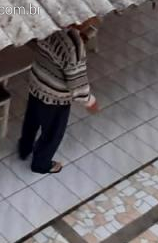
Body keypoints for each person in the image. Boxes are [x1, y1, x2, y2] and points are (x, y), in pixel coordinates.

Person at [16, 21, 98, 174]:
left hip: (37, 83)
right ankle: (41, 164)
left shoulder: (49, 24)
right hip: (55, 97)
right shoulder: (75, 47)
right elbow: (77, 84)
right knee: (52, 132)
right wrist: (90, 101)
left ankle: (24, 149)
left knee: (31, 120)